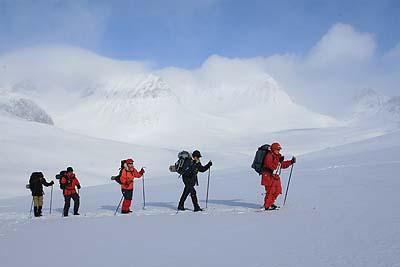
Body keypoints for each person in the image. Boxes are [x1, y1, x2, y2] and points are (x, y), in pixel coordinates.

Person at [262, 143, 296, 210]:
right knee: (270, 191)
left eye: (279, 149)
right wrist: (278, 161)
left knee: (278, 191)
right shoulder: (269, 156)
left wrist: (291, 162)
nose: (278, 151)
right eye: (277, 149)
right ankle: (267, 206)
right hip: (268, 176)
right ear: (273, 149)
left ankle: (270, 203)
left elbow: (282, 165)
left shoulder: (277, 156)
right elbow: (271, 166)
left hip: (275, 176)